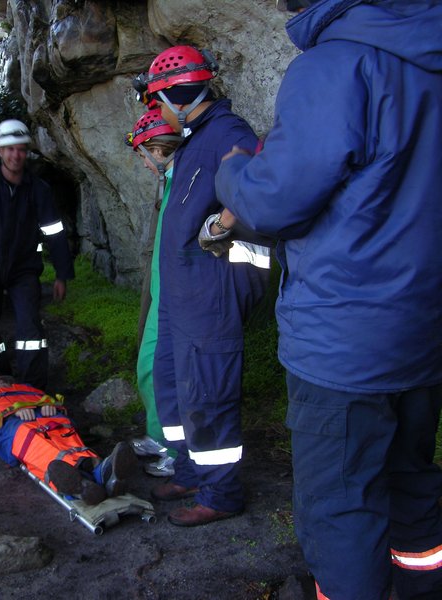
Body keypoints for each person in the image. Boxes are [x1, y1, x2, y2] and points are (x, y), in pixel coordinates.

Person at [213, 1, 442, 597]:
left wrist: (233, 173)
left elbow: (275, 201)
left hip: (344, 342)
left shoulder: (336, 66)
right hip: (425, 330)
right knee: (412, 482)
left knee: (341, 502)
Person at [135, 46, 271, 526]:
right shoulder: (196, 138)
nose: (159, 108)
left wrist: (220, 226)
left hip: (210, 290)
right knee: (174, 384)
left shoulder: (229, 133)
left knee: (208, 391)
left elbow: (258, 187)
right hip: (182, 292)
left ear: (174, 92)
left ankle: (221, 493)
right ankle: (191, 469)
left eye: (159, 97)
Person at [0, 119, 74, 390]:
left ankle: (31, 387)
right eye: (10, 149)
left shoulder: (39, 190)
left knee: (30, 330)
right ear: (0, 151)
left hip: (23, 269)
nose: (16, 155)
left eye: (21, 149)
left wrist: (62, 274)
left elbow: (54, 233)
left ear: (27, 152)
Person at [125, 108, 182, 478]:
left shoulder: (184, 183)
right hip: (161, 290)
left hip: (177, 297)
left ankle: (177, 450)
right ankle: (158, 434)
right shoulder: (170, 183)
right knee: (148, 365)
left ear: (158, 151)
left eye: (144, 155)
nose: (145, 165)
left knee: (167, 372)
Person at [0, 375, 136, 505]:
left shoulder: (25, 389)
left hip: (48, 418)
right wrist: (13, 412)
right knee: (35, 442)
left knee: (66, 434)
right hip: (16, 425)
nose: (0, 384)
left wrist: (50, 405)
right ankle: (84, 484)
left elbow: (47, 400)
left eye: (3, 380)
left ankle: (98, 474)